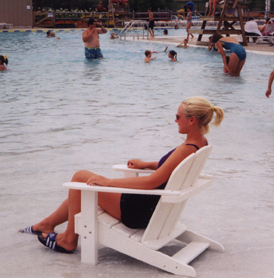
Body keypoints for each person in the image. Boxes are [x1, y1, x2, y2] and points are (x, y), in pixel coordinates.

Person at [19, 96, 224, 253]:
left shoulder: (186, 148)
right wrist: (147, 164)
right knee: (83, 186)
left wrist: (108, 182)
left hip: (138, 211)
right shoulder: (200, 144)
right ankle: (47, 224)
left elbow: (151, 183)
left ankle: (68, 240)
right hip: (152, 207)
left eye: (178, 116)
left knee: (80, 177)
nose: (175, 120)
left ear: (192, 120)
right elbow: (172, 168)